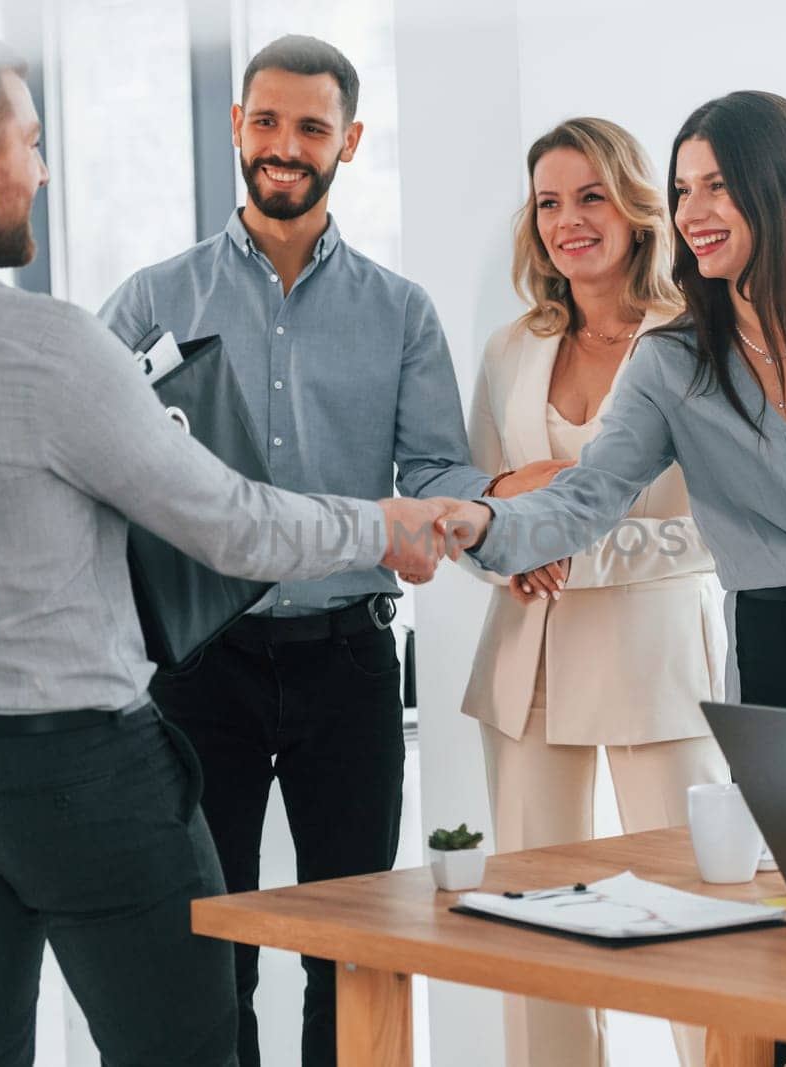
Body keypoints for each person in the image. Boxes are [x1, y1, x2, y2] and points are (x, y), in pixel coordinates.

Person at [0, 30, 460, 1067]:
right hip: (83, 769)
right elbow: (226, 519)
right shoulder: (47, 343)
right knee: (187, 1044)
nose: (40, 169)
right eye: (31, 141)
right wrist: (380, 524)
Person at [97, 34, 547, 1067]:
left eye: (309, 127)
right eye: (265, 121)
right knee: (216, 943)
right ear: (236, 127)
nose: (283, 146)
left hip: (348, 661)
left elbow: (435, 470)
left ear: (348, 139)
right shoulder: (148, 301)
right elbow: (100, 473)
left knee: (354, 943)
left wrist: (494, 514)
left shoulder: (398, 311)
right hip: (200, 668)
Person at [450, 85, 786, 905]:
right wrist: (473, 520)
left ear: (781, 192)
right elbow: (591, 494)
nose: (692, 210)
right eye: (681, 190)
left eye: (715, 185)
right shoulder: (673, 363)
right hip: (780, 656)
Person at [462, 117, 727, 1067]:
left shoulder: (697, 342)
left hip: (658, 666)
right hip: (527, 665)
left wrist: (573, 544)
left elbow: (719, 527)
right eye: (548, 203)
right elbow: (473, 497)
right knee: (536, 939)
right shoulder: (508, 348)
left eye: (589, 197)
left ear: (633, 205)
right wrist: (504, 533)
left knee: (692, 925)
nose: (568, 220)